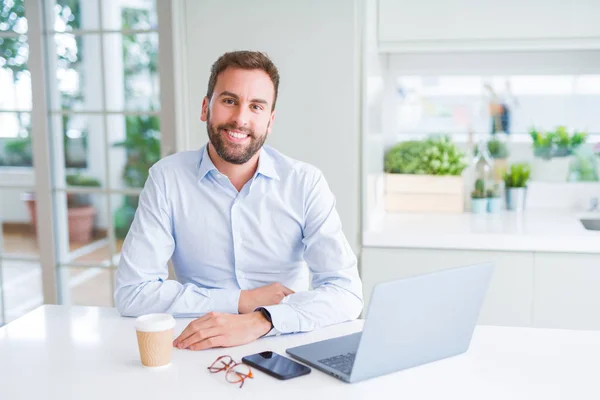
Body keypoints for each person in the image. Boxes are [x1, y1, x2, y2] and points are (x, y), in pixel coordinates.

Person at [114, 50, 363, 351]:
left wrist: (262, 319)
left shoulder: (305, 183)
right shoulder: (167, 179)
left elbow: (347, 293)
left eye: (256, 107)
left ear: (270, 121)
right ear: (206, 107)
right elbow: (132, 293)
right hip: (196, 346)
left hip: (285, 345)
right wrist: (241, 300)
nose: (240, 119)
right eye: (229, 101)